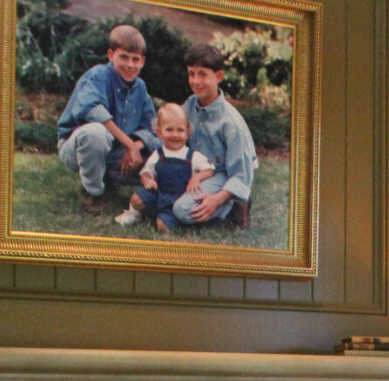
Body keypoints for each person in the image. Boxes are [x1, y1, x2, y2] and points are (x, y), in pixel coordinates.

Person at [54, 25, 160, 214]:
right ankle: (93, 192)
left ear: (143, 61)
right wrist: (129, 144)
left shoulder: (141, 88)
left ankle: (156, 194)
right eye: (124, 57)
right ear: (111, 55)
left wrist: (137, 145)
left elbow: (151, 128)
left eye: (135, 59)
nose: (130, 64)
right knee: (96, 133)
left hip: (117, 150)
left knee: (162, 151)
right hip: (76, 147)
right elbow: (93, 111)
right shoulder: (98, 75)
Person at [170, 43, 258, 228]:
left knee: (182, 210)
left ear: (218, 77)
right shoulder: (191, 104)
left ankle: (233, 204)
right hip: (197, 170)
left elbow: (241, 174)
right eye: (191, 73)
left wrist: (216, 200)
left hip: (223, 173)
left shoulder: (231, 123)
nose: (195, 81)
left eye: (203, 74)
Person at [115, 104, 216, 233]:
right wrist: (147, 180)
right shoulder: (158, 154)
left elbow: (210, 169)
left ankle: (172, 220)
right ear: (159, 132)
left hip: (177, 201)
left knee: (162, 227)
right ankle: (133, 214)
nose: (175, 135)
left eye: (180, 130)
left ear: (188, 131)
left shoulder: (192, 156)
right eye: (169, 130)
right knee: (136, 199)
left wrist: (197, 177)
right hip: (158, 193)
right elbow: (145, 172)